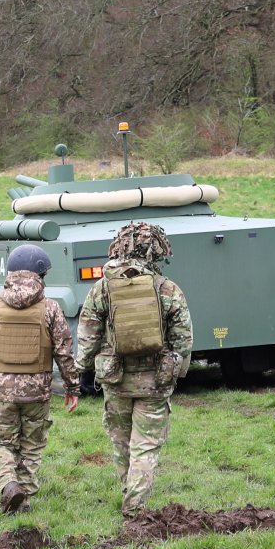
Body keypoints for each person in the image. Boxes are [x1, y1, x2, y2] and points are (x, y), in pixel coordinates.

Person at [75, 222, 193, 518]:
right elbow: (183, 340)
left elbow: (87, 335)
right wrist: (176, 371)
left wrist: (80, 371)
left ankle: (128, 494)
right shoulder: (168, 289)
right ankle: (135, 505)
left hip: (114, 379)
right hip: (155, 380)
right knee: (146, 445)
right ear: (156, 251)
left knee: (121, 442)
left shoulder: (102, 288)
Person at [0, 244, 80, 513]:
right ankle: (22, 500)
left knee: (1, 442)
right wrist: (73, 387)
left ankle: (8, 485)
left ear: (11, 272)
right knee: (31, 446)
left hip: (2, 390)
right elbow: (64, 351)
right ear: (41, 275)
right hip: (37, 392)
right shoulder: (50, 308)